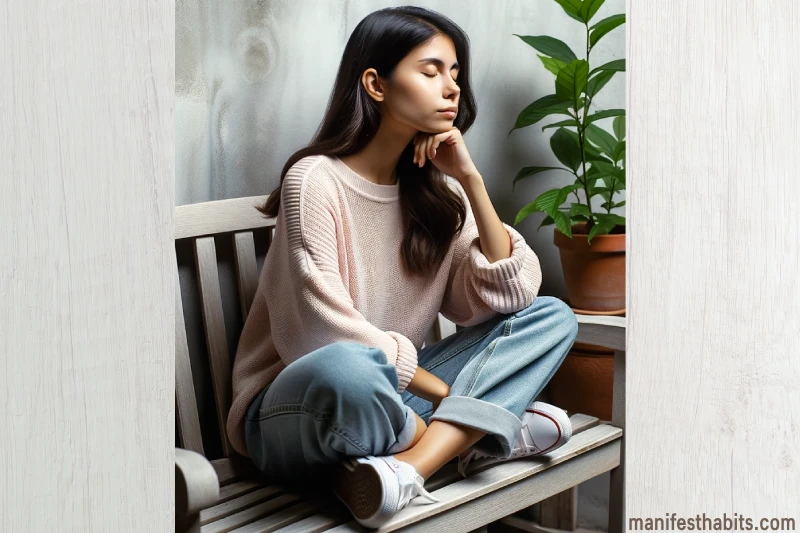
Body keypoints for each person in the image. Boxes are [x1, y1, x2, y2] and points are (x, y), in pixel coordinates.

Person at [227, 5, 579, 529]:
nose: (452, 87)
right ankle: (475, 438)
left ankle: (410, 467)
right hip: (299, 406)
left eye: (456, 73)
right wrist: (455, 399)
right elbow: (318, 336)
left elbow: (509, 296)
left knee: (552, 317)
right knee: (348, 369)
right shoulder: (314, 181)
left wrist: (471, 179)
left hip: (393, 396)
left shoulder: (439, 195)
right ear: (376, 84)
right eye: (431, 70)